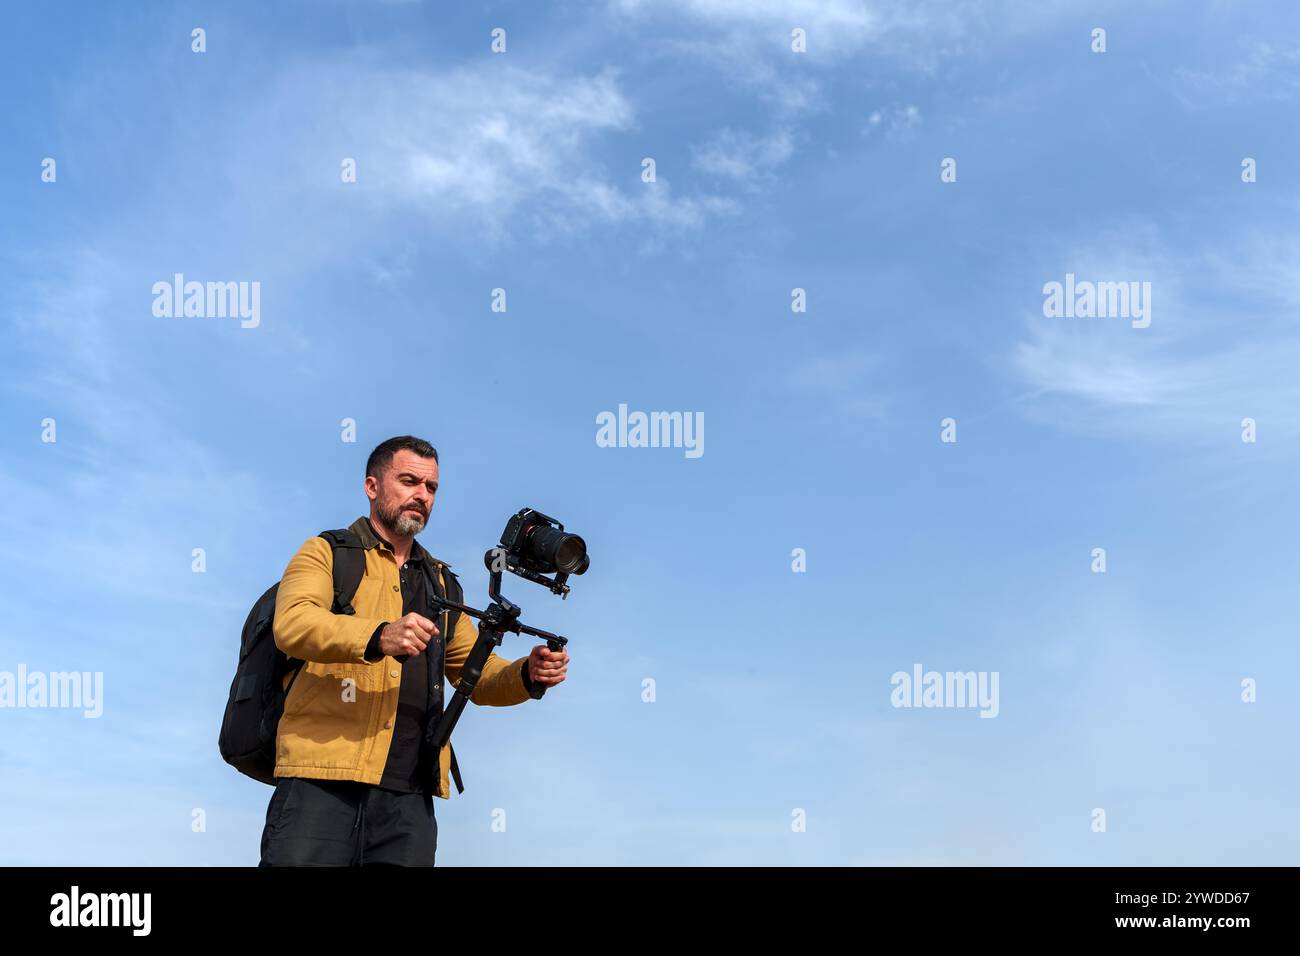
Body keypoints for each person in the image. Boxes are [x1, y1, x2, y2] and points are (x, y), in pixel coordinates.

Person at [258, 435, 569, 866]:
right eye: (408, 481)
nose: (421, 496)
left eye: (431, 488)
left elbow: (475, 677)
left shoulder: (442, 583)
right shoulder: (326, 553)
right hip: (322, 779)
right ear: (372, 486)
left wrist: (527, 674)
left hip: (410, 792)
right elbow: (294, 624)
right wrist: (379, 635)